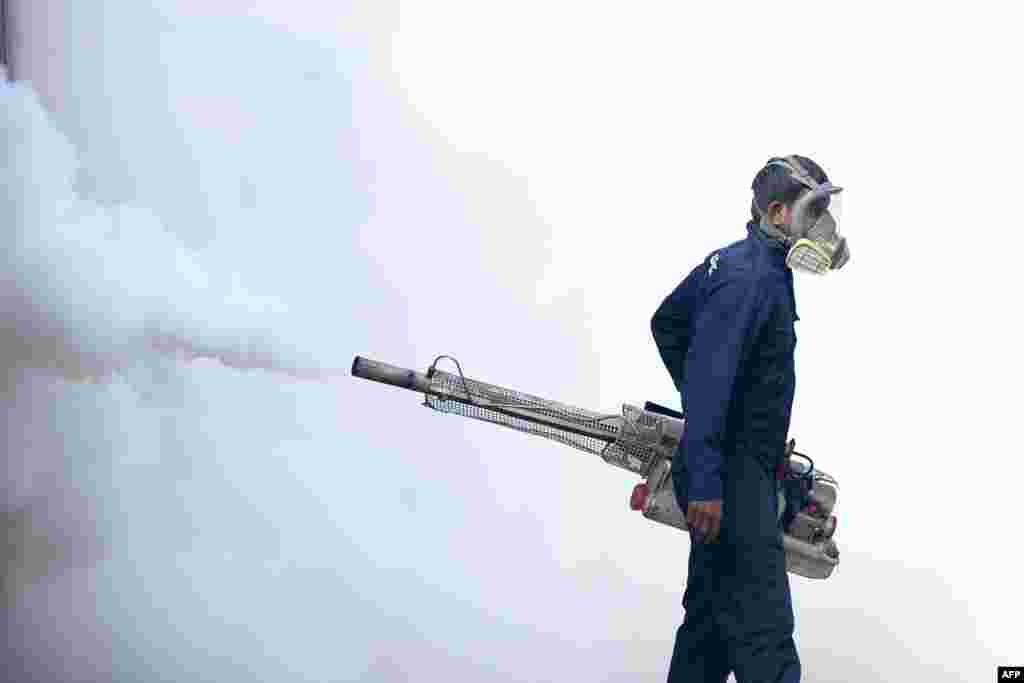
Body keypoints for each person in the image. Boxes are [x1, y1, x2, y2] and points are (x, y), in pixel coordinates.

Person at [650, 155, 849, 683]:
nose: (824, 226)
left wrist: (710, 406)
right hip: (733, 477)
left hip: (733, 466)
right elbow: (710, 375)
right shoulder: (751, 279)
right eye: (815, 212)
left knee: (710, 632)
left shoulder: (746, 267)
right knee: (766, 637)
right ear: (780, 213)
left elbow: (668, 325)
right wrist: (714, 472)